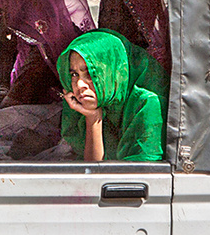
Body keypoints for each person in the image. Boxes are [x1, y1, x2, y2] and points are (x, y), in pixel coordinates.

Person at [57, 30, 167, 163]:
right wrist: (93, 117)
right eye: (74, 75)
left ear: (113, 72)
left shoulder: (147, 104)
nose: (80, 84)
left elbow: (139, 175)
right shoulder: (86, 106)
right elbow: (90, 172)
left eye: (91, 74)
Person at [98, 0, 171, 78]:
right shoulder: (99, 54)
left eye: (118, 11)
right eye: (108, 10)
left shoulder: (160, 62)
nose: (109, 18)